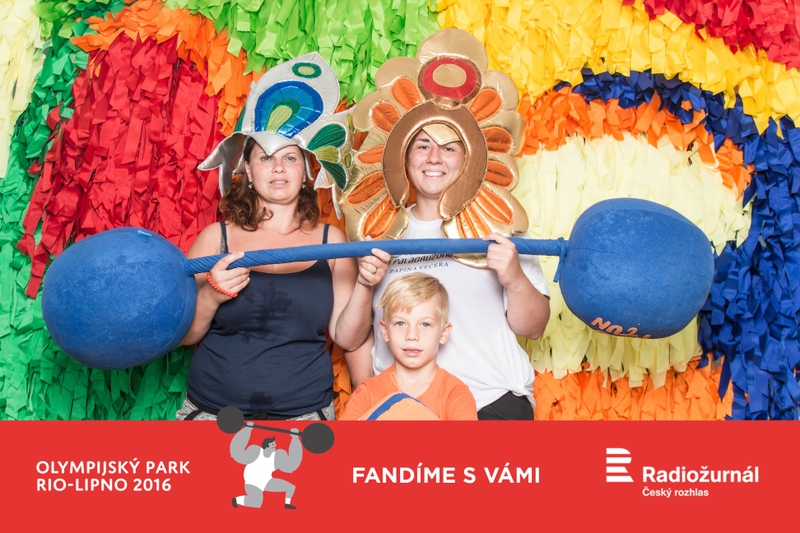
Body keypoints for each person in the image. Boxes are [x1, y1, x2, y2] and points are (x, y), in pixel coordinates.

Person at [340, 28, 551, 420]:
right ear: (403, 155)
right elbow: (351, 339)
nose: (434, 158)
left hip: (490, 403)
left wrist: (513, 278)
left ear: (468, 157)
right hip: (405, 412)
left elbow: (534, 328)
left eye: (449, 147)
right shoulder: (375, 232)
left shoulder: (499, 227)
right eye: (422, 145)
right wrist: (365, 284)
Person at [176, 53, 389, 422]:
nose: (278, 168)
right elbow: (183, 336)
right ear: (246, 168)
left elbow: (348, 338)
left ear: (306, 171)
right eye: (265, 158)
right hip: (211, 415)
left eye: (290, 158)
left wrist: (366, 285)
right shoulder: (214, 238)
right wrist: (210, 295)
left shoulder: (333, 242)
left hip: (305, 417)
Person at [341, 273, 477, 420]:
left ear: (444, 333)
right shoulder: (367, 393)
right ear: (385, 331)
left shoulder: (456, 394)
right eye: (400, 323)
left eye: (425, 324)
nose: (412, 335)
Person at [230, 423, 302, 509]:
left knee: (290, 487)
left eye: (275, 444)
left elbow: (292, 464)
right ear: (267, 445)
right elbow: (238, 452)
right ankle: (236, 500)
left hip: (266, 481)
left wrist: (295, 438)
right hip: (253, 482)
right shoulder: (256, 452)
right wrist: (247, 430)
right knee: (256, 503)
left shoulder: (276, 457)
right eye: (273, 444)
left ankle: (287, 504)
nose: (275, 446)